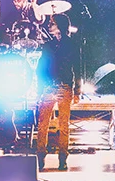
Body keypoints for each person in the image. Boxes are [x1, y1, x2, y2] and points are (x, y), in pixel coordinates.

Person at [35, 14, 81, 171]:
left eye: (52, 23)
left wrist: (77, 91)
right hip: (50, 86)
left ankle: (63, 158)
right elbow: (41, 68)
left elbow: (77, 68)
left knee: (63, 125)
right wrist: (40, 88)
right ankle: (41, 157)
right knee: (43, 124)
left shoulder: (72, 45)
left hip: (64, 86)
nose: (49, 25)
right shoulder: (48, 45)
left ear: (60, 25)